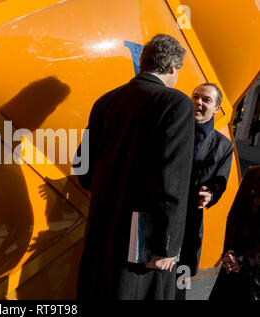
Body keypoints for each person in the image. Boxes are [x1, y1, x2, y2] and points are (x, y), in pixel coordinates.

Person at [74, 34, 194, 300]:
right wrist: (167, 245)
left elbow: (82, 165)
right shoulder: (176, 103)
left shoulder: (106, 101)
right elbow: (172, 182)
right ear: (173, 67)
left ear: (143, 61)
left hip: (101, 226)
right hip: (143, 239)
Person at [176, 83, 234, 300]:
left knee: (177, 285)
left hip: (189, 224)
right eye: (195, 97)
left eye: (206, 100)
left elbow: (220, 182)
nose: (198, 102)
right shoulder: (171, 130)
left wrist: (210, 195)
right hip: (156, 218)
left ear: (217, 108)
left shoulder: (223, 146)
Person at [209, 165, 260, 300]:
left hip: (254, 272)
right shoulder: (252, 172)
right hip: (232, 265)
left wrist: (244, 261)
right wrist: (230, 252)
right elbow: (233, 216)